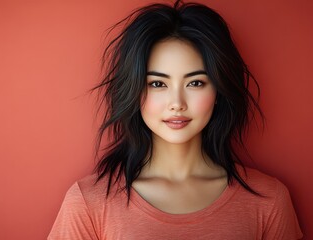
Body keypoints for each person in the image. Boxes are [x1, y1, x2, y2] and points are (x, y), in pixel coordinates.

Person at [48, 1, 303, 239]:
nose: (177, 102)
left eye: (195, 83)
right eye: (158, 83)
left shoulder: (268, 200)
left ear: (217, 92)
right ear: (135, 91)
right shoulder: (88, 202)